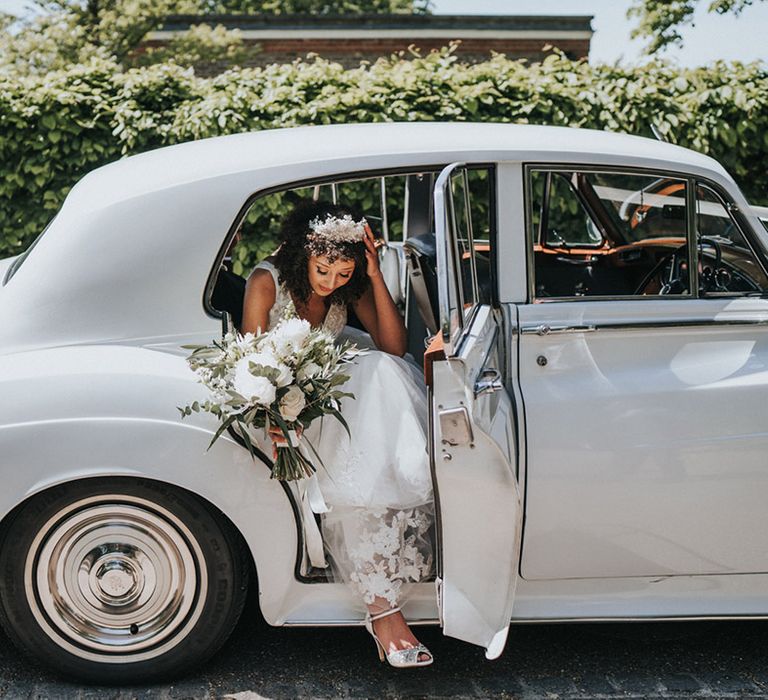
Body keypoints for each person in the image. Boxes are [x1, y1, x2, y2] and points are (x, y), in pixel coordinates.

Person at [241, 200, 434, 668]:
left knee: (383, 370)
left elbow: (392, 345)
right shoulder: (266, 281)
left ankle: (384, 600)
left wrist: (371, 276)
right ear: (304, 251)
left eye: (342, 274)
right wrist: (283, 411)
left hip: (332, 400)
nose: (330, 283)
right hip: (285, 406)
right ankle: (384, 611)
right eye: (323, 269)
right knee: (369, 401)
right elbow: (251, 363)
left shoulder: (350, 286)